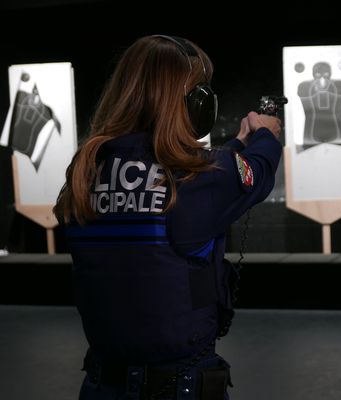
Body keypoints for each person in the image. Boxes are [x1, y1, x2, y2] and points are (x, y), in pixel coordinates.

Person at [53, 34, 282, 399]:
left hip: (100, 384)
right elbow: (257, 171)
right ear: (196, 104)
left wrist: (236, 145)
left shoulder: (84, 171)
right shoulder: (200, 178)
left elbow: (183, 180)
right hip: (178, 387)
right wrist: (266, 136)